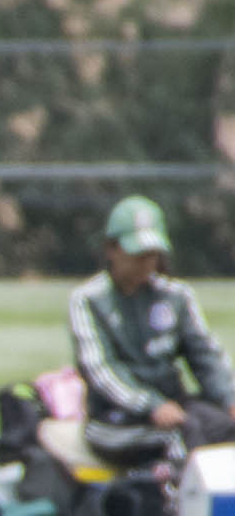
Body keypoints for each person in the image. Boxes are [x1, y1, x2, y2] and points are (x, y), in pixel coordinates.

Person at [68, 194, 235, 468]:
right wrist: (152, 405)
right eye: (138, 255)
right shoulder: (89, 299)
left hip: (175, 405)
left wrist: (228, 398)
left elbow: (205, 354)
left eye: (153, 254)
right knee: (183, 435)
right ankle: (178, 496)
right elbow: (100, 369)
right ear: (112, 249)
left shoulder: (176, 295)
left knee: (224, 428)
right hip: (113, 420)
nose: (146, 262)